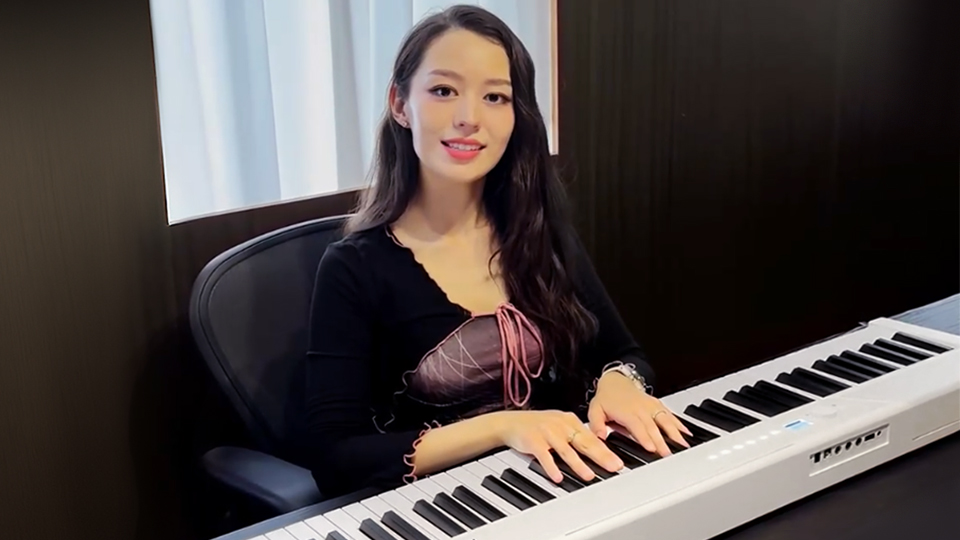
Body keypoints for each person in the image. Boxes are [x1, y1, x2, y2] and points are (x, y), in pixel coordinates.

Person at [301, 4, 691, 499]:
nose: (469, 118)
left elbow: (623, 354)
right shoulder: (354, 266)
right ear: (400, 104)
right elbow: (334, 456)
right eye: (444, 91)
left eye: (495, 97)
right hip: (438, 507)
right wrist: (502, 427)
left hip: (564, 485)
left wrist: (619, 381)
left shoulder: (540, 231)